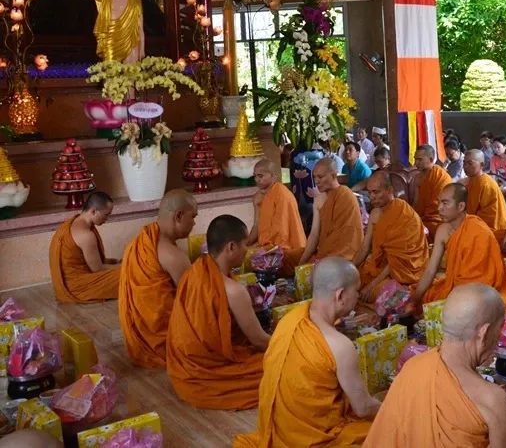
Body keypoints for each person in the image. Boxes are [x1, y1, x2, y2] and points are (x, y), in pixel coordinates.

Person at [233, 257, 379, 447]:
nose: (358, 295)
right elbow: (363, 408)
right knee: (389, 431)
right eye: (357, 290)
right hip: (314, 439)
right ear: (340, 295)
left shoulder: (289, 320)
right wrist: (392, 407)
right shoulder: (341, 346)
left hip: (279, 432)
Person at [365, 284, 506, 447]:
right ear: (484, 333)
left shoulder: (413, 366)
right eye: (500, 328)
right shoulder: (492, 400)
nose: (500, 335)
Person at [167, 215, 266, 410]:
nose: (247, 250)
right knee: (283, 366)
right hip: (209, 371)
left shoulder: (192, 273)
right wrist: (289, 343)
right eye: (245, 244)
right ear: (231, 247)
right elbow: (259, 340)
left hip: (183, 368)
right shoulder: (233, 290)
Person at [119, 190, 197, 369]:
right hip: (165, 341)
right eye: (193, 216)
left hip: (139, 343)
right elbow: (194, 302)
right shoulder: (173, 256)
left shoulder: (140, 241)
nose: (194, 223)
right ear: (178, 216)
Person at [413, 184, 506, 309]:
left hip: (479, 290)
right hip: (454, 287)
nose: (439, 208)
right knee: (425, 299)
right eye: (439, 202)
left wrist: (459, 296)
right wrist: (414, 300)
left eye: (445, 203)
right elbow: (431, 270)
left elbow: (484, 278)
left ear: (461, 206)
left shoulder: (479, 231)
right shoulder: (442, 230)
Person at [354, 172, 429, 302]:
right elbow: (364, 248)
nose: (371, 197)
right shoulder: (375, 213)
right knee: (350, 280)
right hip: (378, 268)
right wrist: (349, 269)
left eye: (376, 192)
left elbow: (396, 260)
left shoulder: (405, 214)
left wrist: (373, 284)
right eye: (369, 192)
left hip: (402, 273)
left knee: (382, 294)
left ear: (390, 190)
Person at [49, 191, 120, 303]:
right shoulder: (86, 235)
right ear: (93, 211)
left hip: (73, 281)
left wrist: (113, 262)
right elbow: (98, 269)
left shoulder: (76, 221)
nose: (107, 219)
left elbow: (83, 260)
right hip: (78, 287)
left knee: (126, 267)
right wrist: (124, 265)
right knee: (132, 273)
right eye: (106, 215)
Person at [297, 157, 364, 265]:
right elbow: (314, 234)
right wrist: (301, 263)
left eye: (320, 177)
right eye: (314, 177)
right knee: (288, 258)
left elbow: (348, 236)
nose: (316, 181)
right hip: (324, 252)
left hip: (344, 256)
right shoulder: (318, 199)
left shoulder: (345, 195)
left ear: (333, 175)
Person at [248, 159, 307, 274]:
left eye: (260, 176)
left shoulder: (281, 195)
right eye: (255, 176)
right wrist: (247, 244)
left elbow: (281, 234)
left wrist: (260, 247)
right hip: (269, 245)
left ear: (273, 175)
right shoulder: (260, 196)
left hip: (288, 249)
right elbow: (257, 224)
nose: (257, 180)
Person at [460, 149, 506, 236]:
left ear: (481, 165)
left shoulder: (486, 184)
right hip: (474, 225)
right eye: (464, 163)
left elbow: (487, 217)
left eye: (470, 163)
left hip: (492, 231)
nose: (465, 166)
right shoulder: (469, 182)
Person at [412, 145, 452, 240]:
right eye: (415, 159)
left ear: (430, 159)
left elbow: (441, 206)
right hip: (421, 219)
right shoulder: (418, 177)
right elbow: (416, 202)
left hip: (438, 219)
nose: (416, 163)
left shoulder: (441, 176)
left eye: (419, 160)